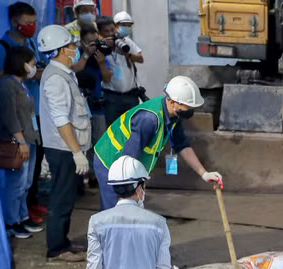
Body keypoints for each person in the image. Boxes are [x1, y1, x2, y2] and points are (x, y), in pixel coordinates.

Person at [92, 75, 222, 210]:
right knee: (115, 211)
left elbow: (182, 146)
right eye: (188, 106)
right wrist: (133, 188)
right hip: (109, 160)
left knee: (130, 210)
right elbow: (129, 157)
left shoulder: (174, 115)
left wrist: (204, 173)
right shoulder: (149, 120)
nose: (190, 110)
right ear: (173, 102)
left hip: (127, 162)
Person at [38, 24, 90, 263]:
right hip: (64, 149)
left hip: (67, 147)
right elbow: (61, 120)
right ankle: (56, 249)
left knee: (67, 197)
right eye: (71, 45)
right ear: (61, 50)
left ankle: (63, 241)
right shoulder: (56, 79)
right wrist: (76, 152)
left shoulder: (64, 74)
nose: (74, 48)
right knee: (61, 198)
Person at [0, 2, 48, 222]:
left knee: (30, 173)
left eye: (34, 22)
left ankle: (26, 209)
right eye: (28, 23)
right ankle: (12, 219)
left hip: (34, 113)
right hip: (17, 121)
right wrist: (23, 75)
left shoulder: (30, 43)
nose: (32, 26)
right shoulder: (2, 48)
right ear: (15, 22)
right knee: (17, 175)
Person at [0, 47, 43, 239]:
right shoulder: (7, 85)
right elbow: (10, 115)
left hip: (28, 140)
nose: (34, 68)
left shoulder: (20, 84)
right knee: (16, 184)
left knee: (26, 183)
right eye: (31, 64)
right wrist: (21, 140)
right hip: (17, 142)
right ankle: (11, 222)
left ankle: (22, 217)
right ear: (22, 64)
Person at [77, 23, 111, 179]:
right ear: (83, 43)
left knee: (99, 143)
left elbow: (107, 78)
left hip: (97, 106)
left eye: (96, 42)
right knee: (82, 144)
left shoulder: (101, 57)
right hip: (80, 108)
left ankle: (95, 175)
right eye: (90, 43)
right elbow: (74, 70)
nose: (94, 47)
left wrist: (102, 63)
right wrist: (85, 54)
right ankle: (81, 176)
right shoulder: (77, 54)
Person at [103, 12, 145, 127]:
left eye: (129, 25)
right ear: (115, 26)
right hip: (112, 97)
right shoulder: (105, 44)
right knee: (113, 130)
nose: (127, 28)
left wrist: (127, 55)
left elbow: (141, 58)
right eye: (124, 25)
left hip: (130, 96)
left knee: (133, 128)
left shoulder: (126, 42)